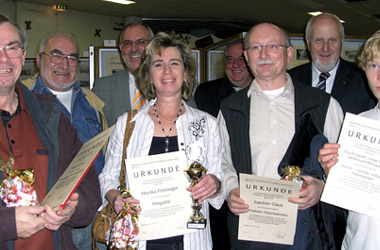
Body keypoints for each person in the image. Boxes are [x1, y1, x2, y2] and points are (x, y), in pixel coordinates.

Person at [218, 23, 343, 250]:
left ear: (289, 53)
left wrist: (321, 186)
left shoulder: (324, 106)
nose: (264, 55)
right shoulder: (229, 110)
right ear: (246, 56)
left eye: (273, 46)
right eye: (255, 48)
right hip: (251, 229)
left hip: (306, 230)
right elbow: (223, 163)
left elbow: (343, 167)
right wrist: (230, 190)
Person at [99, 32, 224, 250]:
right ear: (149, 74)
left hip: (192, 240)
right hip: (140, 238)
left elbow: (220, 179)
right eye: (158, 64)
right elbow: (107, 176)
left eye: (174, 63)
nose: (167, 71)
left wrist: (213, 183)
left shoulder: (208, 124)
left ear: (185, 73)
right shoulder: (127, 124)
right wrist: (116, 198)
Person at [0, 14, 101, 250]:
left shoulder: (51, 115)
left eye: (11, 48)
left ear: (23, 56)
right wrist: (7, 224)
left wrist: (73, 208)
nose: (3, 58)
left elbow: (87, 181)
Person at [24, 33, 107, 250]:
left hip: (92, 217)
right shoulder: (24, 100)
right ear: (39, 58)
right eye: (56, 55)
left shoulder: (93, 104)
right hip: (47, 221)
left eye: (72, 58)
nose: (64, 64)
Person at [318, 29, 380, 250]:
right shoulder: (360, 123)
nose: (379, 76)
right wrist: (333, 174)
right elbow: (349, 198)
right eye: (374, 66)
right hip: (358, 243)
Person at [288, 12, 376, 115]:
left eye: (332, 40)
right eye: (319, 40)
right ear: (308, 42)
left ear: (342, 41)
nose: (325, 48)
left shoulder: (363, 81)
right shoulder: (291, 80)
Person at [92, 22, 153, 126]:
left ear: (153, 45)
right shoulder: (102, 88)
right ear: (121, 48)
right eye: (128, 43)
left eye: (141, 42)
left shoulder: (172, 84)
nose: (134, 48)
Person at [194, 39, 253, 117]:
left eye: (241, 59)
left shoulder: (265, 93)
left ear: (251, 62)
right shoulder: (205, 93)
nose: (235, 65)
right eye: (230, 59)